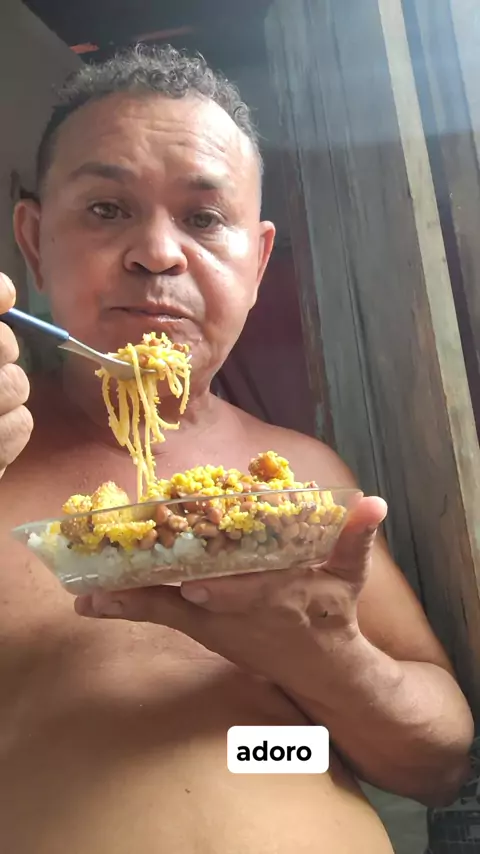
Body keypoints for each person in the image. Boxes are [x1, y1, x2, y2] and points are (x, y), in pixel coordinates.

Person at [0, 45, 474, 854]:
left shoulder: (302, 473)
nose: (158, 253)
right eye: (107, 209)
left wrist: (322, 663)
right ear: (35, 241)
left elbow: (436, 766)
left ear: (256, 262)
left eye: (204, 218)